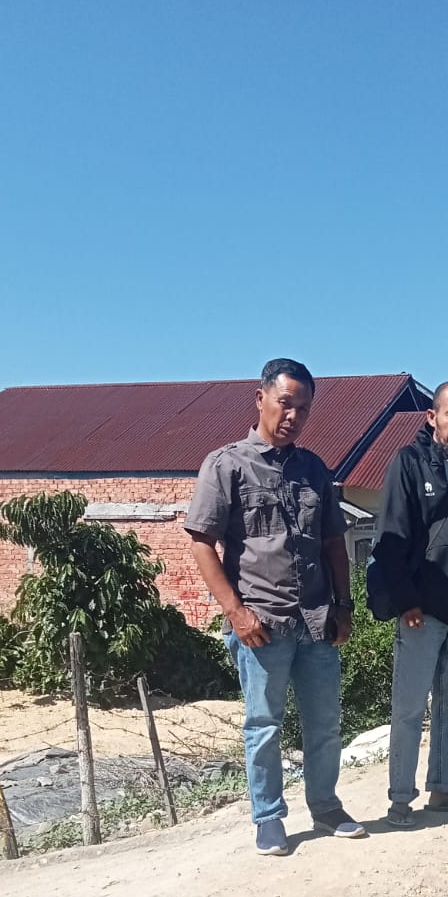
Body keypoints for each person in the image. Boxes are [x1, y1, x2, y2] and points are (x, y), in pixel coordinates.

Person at [185, 357, 363, 857]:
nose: (293, 416)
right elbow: (202, 544)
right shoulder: (226, 465)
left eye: (303, 408)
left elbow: (333, 542)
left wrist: (344, 605)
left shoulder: (314, 469)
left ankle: (326, 806)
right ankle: (268, 818)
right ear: (260, 398)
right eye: (285, 403)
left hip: (317, 619)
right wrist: (235, 612)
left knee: (325, 722)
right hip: (262, 622)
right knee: (264, 725)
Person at [373, 380, 448, 827]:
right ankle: (400, 799)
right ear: (432, 417)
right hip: (420, 608)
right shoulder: (408, 462)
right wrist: (406, 600)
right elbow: (390, 538)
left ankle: (445, 790)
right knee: (409, 708)